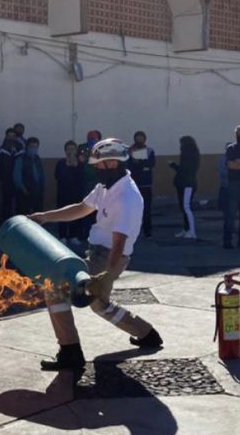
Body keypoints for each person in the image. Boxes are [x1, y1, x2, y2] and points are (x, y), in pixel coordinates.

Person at [29, 139, 164, 373]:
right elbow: (82, 208)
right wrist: (45, 216)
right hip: (98, 253)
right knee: (100, 305)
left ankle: (70, 352)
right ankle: (147, 334)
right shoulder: (106, 186)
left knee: (54, 290)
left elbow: (119, 242)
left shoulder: (127, 197)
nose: (95, 169)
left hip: (110, 256)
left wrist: (106, 276)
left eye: (98, 165)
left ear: (112, 162)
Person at [55, 140, 86, 246]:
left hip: (76, 194)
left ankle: (73, 235)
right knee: (62, 214)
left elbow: (82, 177)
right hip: (63, 194)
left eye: (72, 149)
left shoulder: (80, 164)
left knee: (75, 215)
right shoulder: (60, 163)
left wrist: (76, 165)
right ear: (65, 151)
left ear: (76, 150)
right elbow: (57, 176)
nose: (70, 151)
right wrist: (67, 166)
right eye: (68, 149)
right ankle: (63, 236)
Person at [170, 135, 199, 240]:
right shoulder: (189, 154)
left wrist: (174, 166)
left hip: (188, 184)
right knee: (183, 207)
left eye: (182, 143)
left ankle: (192, 231)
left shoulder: (190, 155)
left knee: (186, 207)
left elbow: (185, 170)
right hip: (183, 183)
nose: (180, 145)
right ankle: (186, 229)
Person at [128, 131, 156, 238]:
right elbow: (129, 165)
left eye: (141, 137)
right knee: (132, 209)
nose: (139, 139)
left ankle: (147, 231)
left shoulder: (149, 150)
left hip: (146, 184)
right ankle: (133, 231)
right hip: (133, 184)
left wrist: (140, 163)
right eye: (137, 137)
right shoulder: (130, 150)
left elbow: (151, 164)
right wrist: (140, 164)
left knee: (146, 209)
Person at [0, 128, 23, 220]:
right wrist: (3, 178)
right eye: (9, 136)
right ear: (6, 136)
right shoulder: (1, 150)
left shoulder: (20, 148)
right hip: (6, 182)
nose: (11, 138)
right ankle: (6, 223)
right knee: (7, 203)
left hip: (18, 182)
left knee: (20, 203)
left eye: (13, 136)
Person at [13, 136, 45, 215]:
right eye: (31, 146)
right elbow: (17, 177)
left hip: (37, 191)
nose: (34, 149)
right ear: (27, 147)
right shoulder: (20, 159)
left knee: (38, 214)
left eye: (36, 147)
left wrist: (43, 186)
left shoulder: (37, 159)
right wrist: (23, 189)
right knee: (23, 214)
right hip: (25, 192)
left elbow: (42, 173)